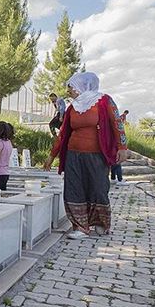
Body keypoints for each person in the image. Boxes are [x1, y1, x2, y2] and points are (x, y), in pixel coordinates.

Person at [43, 72, 128, 240]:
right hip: (73, 155)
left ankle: (100, 223)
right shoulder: (73, 107)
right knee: (73, 188)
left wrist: (122, 147)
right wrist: (52, 156)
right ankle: (81, 227)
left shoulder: (103, 101)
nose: (68, 91)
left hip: (96, 155)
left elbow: (116, 123)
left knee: (98, 187)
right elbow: (62, 134)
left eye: (71, 87)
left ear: (82, 85)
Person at [110, 110, 129, 185]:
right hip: (115, 148)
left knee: (114, 164)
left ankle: (113, 178)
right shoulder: (118, 122)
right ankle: (120, 180)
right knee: (118, 164)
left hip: (111, 147)